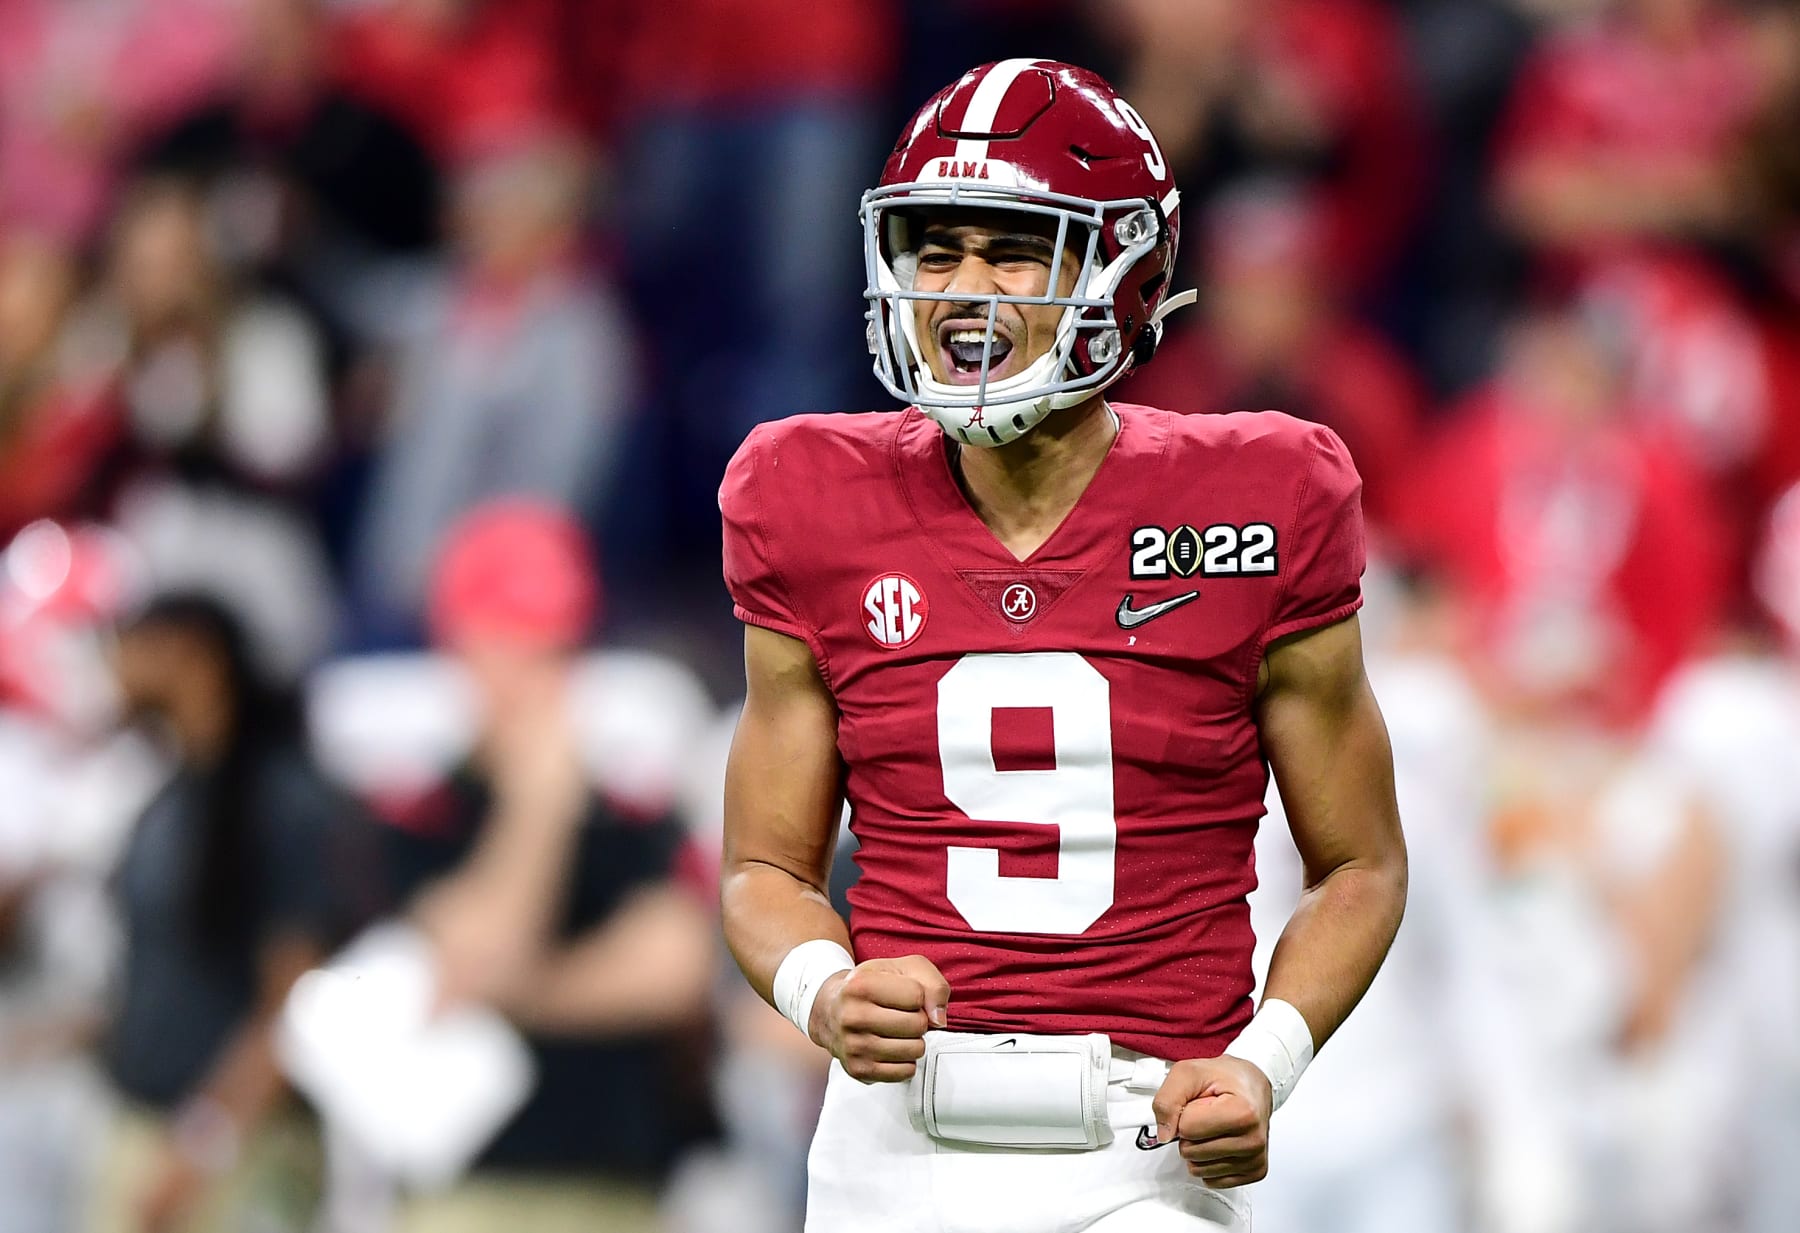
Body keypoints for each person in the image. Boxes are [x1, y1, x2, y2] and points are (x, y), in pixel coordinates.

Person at [718, 60, 1407, 1232]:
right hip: (894, 1140)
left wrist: (1264, 1063)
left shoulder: (1262, 497)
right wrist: (826, 991)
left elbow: (1361, 864)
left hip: (1142, 1135)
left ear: (1124, 272)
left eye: (1014, 249)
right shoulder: (803, 495)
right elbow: (763, 871)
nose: (965, 290)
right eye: (936, 250)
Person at [368, 499, 717, 1233]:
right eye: (518, 642)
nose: (545, 672)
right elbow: (473, 950)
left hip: (620, 1192)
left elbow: (678, 968)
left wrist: (516, 991)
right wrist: (537, 808)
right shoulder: (416, 813)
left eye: (560, 645)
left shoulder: (634, 811)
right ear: (460, 645)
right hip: (467, 1194)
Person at [88, 592, 356, 1233]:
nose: (113, 667)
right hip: (143, 1131)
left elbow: (292, 1000)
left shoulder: (288, 801)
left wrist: (203, 1144)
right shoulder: (169, 797)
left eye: (131, 644)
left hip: (236, 1152)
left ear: (190, 652)